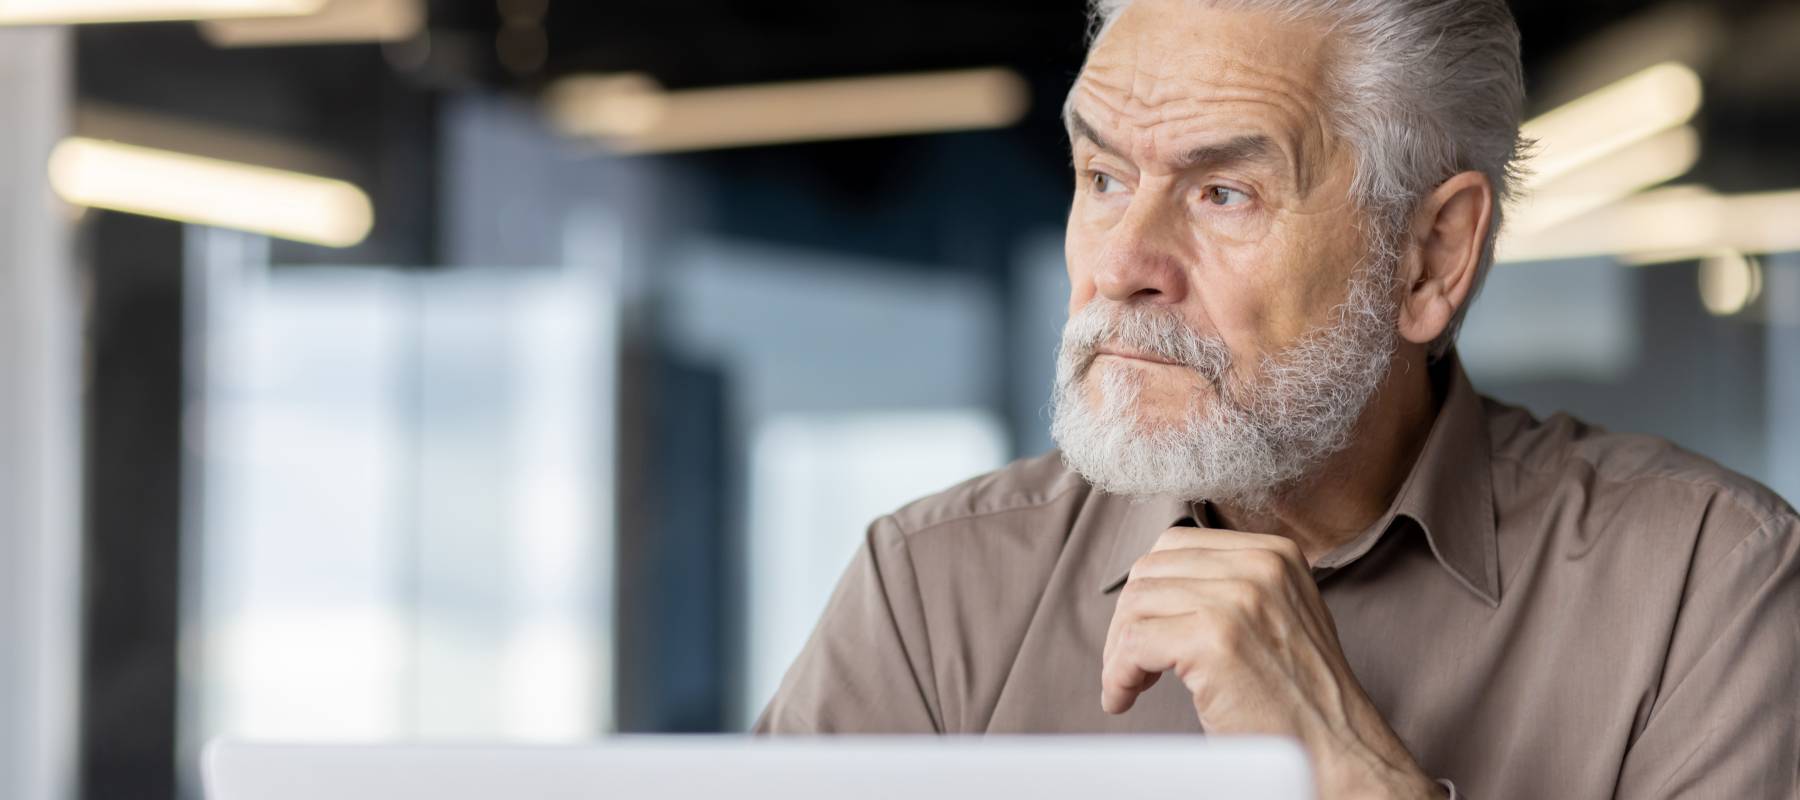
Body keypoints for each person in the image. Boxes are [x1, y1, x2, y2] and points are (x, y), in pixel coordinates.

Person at [754, 1, 1800, 797]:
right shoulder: (933, 592)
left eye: (1223, 193)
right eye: (1104, 177)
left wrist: (1336, 755)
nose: (1122, 262)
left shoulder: (1706, 589)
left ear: (1430, 257)